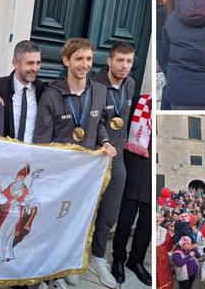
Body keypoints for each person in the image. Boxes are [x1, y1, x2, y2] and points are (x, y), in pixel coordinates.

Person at [34, 38, 116, 288]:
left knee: (77, 223)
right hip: (58, 175)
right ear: (66, 60)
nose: (84, 64)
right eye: (79, 58)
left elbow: (101, 122)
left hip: (86, 176)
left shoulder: (100, 91)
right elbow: (42, 142)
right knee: (51, 224)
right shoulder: (51, 95)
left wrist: (104, 141)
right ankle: (45, 274)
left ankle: (67, 265)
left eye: (89, 59)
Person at [89, 42, 136, 288]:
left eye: (129, 61)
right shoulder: (95, 85)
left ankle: (97, 257)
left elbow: (124, 120)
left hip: (117, 158)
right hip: (94, 156)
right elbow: (94, 120)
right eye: (120, 60)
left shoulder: (130, 84)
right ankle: (74, 257)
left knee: (110, 211)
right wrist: (105, 140)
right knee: (83, 208)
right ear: (109, 61)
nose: (125, 66)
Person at [111, 95, 152, 286]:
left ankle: (136, 260)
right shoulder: (141, 101)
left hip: (154, 172)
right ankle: (118, 259)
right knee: (126, 220)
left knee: (146, 224)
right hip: (134, 168)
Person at [0, 40, 44, 143]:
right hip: (4, 152)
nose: (35, 68)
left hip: (31, 155)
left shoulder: (42, 90)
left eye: (38, 63)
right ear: (15, 63)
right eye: (30, 63)